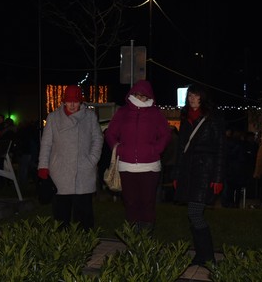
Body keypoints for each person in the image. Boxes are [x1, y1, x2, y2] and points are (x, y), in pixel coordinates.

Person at [104, 80, 172, 232]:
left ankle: (146, 239)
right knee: (130, 203)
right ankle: (133, 238)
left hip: (150, 166)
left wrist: (155, 149)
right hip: (126, 165)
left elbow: (166, 135)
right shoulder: (123, 112)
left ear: (149, 96)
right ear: (132, 94)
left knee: (147, 203)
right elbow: (110, 133)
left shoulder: (155, 113)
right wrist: (118, 148)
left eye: (143, 95)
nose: (140, 98)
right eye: (137, 95)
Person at [37, 85, 103, 230]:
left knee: (84, 218)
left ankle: (84, 243)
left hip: (83, 172)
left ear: (80, 101)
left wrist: (92, 159)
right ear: (64, 101)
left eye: (75, 101)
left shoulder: (90, 117)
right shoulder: (53, 118)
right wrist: (43, 166)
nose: (72, 104)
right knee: (61, 217)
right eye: (69, 101)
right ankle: (62, 243)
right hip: (60, 173)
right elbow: (46, 144)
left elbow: (98, 139)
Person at [174, 84, 226, 266]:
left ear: (203, 98)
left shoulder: (212, 119)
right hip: (189, 172)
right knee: (193, 214)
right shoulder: (185, 118)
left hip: (205, 172)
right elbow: (181, 149)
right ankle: (201, 255)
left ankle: (208, 256)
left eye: (196, 96)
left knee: (195, 213)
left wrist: (217, 178)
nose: (192, 99)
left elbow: (220, 150)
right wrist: (177, 174)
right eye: (190, 96)